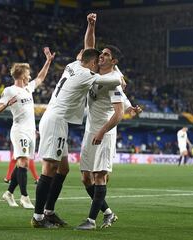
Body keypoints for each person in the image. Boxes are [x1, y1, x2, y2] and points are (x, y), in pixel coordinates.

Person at [31, 47, 122, 228]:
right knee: (49, 168)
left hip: (58, 119)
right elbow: (113, 79)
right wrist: (120, 76)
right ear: (93, 63)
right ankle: (38, 217)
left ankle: (49, 211)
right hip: (56, 121)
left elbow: (86, 51)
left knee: (62, 169)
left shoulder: (72, 65)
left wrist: (90, 27)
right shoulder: (86, 75)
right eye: (98, 60)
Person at [76, 13, 142, 230]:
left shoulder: (114, 83)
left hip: (104, 133)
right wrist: (91, 26)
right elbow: (88, 47)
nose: (101, 56)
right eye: (101, 54)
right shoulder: (95, 71)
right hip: (90, 131)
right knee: (86, 179)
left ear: (114, 61)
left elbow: (118, 114)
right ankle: (108, 213)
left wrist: (102, 131)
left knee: (99, 176)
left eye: (105, 54)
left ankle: (91, 221)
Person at [0, 47, 55, 209]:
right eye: (28, 73)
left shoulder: (28, 88)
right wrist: (7, 104)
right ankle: (25, 197)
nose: (30, 75)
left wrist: (48, 61)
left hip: (31, 131)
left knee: (23, 162)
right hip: (19, 130)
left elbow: (41, 77)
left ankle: (8, 193)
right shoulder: (10, 90)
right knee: (22, 161)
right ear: (22, 75)